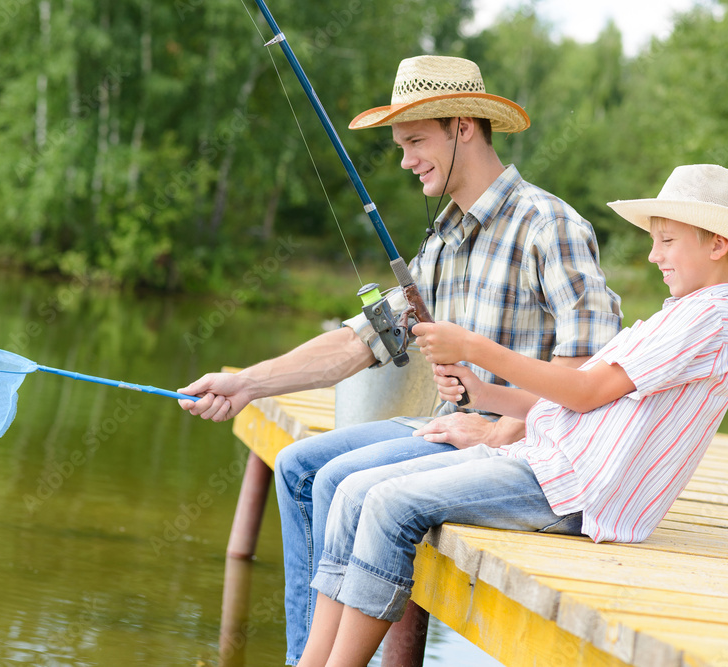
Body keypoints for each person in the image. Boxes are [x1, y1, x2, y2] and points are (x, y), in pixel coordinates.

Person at [177, 55, 622, 665]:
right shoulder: (442, 240)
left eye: (415, 141)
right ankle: (306, 654)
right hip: (444, 427)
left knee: (335, 479)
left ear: (463, 126)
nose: (406, 159)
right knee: (299, 465)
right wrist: (246, 383)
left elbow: (593, 375)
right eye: (401, 145)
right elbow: (361, 341)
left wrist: (502, 429)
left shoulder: (549, 225)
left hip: (518, 449)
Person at [296, 164, 728, 666]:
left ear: (718, 244)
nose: (652, 253)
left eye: (666, 241)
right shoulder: (682, 313)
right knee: (355, 492)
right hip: (548, 464)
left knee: (386, 505)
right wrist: (484, 394)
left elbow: (582, 391)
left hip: (574, 491)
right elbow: (580, 402)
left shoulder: (711, 320)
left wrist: (475, 347)